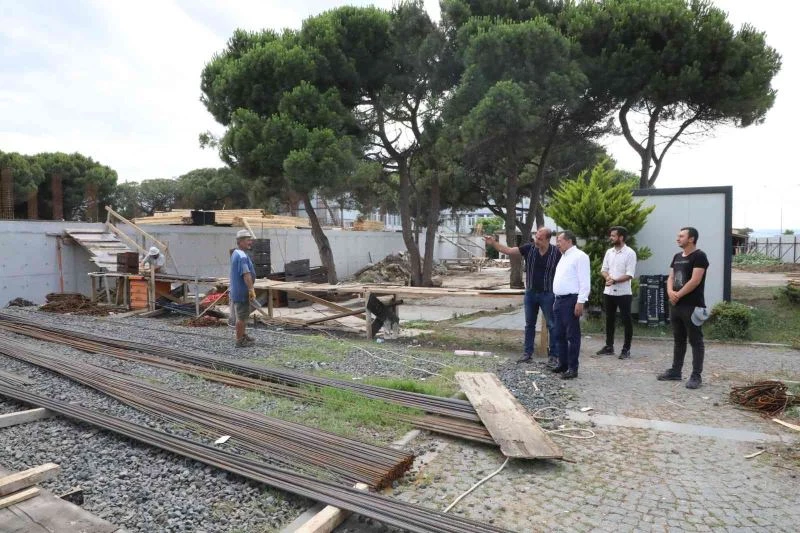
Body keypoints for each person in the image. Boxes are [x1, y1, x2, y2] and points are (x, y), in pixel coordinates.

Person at [484, 228, 561, 365]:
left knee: (552, 325)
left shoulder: (556, 253)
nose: (536, 240)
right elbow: (509, 251)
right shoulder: (529, 248)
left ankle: (554, 356)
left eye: (540, 239)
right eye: (536, 237)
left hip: (548, 294)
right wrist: (494, 243)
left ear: (548, 239)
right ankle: (527, 354)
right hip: (530, 293)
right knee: (529, 324)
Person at [658, 227, 709, 389]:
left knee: (695, 341)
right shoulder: (677, 256)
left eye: (681, 236)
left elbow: (695, 280)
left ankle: (696, 376)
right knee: (679, 339)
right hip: (676, 305)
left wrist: (678, 294)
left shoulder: (699, 256)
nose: (677, 238)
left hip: (692, 306)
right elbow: (671, 277)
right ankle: (675, 371)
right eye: (678, 236)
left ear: (691, 239)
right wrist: (670, 292)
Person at [550, 230, 591, 380]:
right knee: (559, 334)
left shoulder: (580, 256)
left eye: (559, 241)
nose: (557, 244)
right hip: (559, 300)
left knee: (572, 335)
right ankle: (563, 363)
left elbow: (584, 281)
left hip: (571, 300)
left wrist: (581, 301)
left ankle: (573, 368)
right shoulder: (564, 256)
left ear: (569, 241)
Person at [596, 226, 637, 359]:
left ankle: (626, 349)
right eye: (611, 235)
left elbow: (629, 274)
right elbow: (604, 269)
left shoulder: (630, 253)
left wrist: (614, 280)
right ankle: (609, 346)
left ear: (621, 237)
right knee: (609, 319)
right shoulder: (609, 252)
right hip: (609, 292)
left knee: (626, 320)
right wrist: (608, 277)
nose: (611, 238)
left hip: (623, 293)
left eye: (613, 236)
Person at [230, 229, 257, 348]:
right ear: (240, 241)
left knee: (243, 315)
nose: (250, 242)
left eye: (250, 239)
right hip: (242, 292)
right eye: (247, 240)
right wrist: (251, 289)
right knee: (241, 317)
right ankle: (239, 340)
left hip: (237, 290)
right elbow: (246, 274)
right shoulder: (241, 256)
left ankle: (242, 334)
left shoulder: (236, 253)